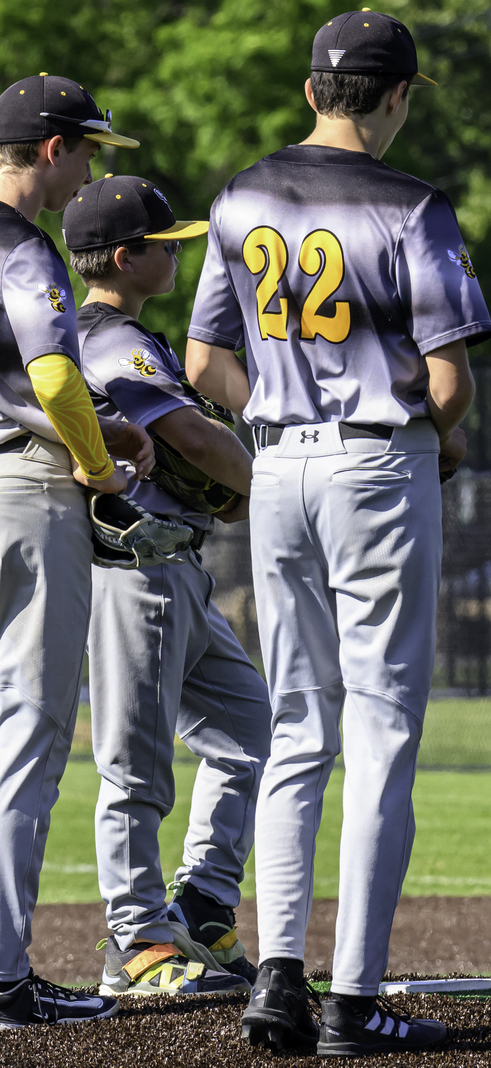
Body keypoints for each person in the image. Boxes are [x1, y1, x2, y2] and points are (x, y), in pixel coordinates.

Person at [185, 9, 491, 1054]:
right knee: (382, 731)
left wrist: (277, 411)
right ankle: (354, 1002)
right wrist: (431, 437)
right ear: (396, 94)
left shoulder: (237, 196)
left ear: (315, 89)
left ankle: (277, 979)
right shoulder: (413, 205)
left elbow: (200, 367)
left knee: (297, 728)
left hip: (275, 464)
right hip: (376, 462)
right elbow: (447, 383)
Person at [63, 174, 271, 997]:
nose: (177, 254)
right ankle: (138, 938)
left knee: (247, 723)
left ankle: (203, 902)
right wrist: (270, 483)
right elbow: (188, 433)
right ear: (125, 257)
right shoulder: (114, 341)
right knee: (137, 763)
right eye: (164, 243)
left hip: (176, 565)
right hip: (130, 568)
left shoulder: (115, 335)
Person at [0, 74, 155, 1028]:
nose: (92, 168)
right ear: (53, 148)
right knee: (26, 735)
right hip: (22, 491)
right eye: (90, 150)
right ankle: (5, 977)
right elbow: (52, 371)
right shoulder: (22, 243)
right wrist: (98, 459)